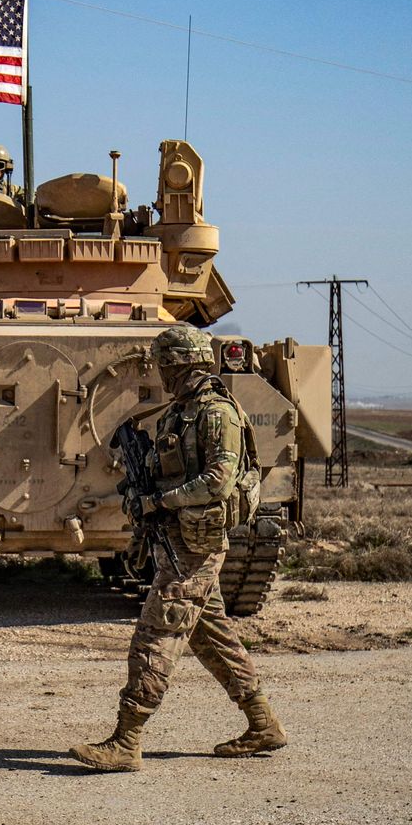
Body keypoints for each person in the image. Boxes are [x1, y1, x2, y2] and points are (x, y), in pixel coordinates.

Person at [69, 325, 285, 772]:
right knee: (212, 637)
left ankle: (127, 740)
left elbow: (217, 482)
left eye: (166, 365)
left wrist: (158, 501)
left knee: (158, 631)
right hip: (176, 538)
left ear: (181, 364)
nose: (162, 375)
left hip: (196, 544)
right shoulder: (179, 412)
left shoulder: (215, 413)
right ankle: (263, 724)